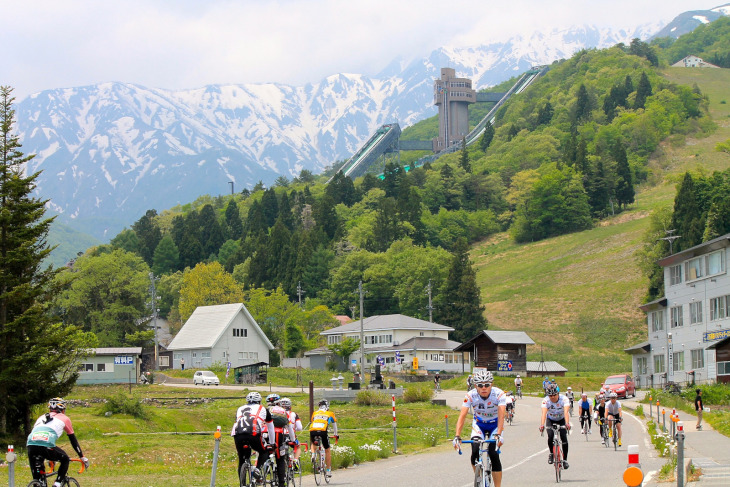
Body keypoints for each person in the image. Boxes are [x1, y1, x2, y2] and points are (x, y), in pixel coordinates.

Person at [453, 369, 506, 487]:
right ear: (475, 385)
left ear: (491, 384)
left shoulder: (499, 394)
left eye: (487, 385)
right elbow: (462, 415)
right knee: (475, 450)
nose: (484, 388)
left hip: (495, 425)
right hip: (479, 424)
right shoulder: (470, 395)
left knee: (493, 453)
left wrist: (499, 433)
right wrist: (457, 435)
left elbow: (502, 414)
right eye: (480, 385)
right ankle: (479, 477)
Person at [27, 398, 90, 487]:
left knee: (38, 477)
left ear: (50, 409)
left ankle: (37, 482)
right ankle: (57, 483)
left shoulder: (41, 417)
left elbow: (39, 437)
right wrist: (82, 457)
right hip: (46, 444)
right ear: (63, 409)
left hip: (31, 444)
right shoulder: (65, 418)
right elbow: (73, 440)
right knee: (65, 459)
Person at [231, 391, 276, 482]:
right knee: (264, 451)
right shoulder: (262, 408)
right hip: (253, 434)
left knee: (242, 459)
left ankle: (242, 483)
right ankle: (257, 469)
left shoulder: (240, 408)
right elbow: (271, 427)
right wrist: (272, 443)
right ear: (259, 401)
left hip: (238, 435)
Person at [266, 394, 297, 487]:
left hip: (266, 434)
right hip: (279, 434)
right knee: (280, 459)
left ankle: (261, 472)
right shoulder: (283, 411)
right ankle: (281, 483)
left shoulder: (265, 410)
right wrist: (293, 440)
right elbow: (290, 427)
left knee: (264, 452)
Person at [539, 383, 571, 469]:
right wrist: (542, 425)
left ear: (558, 394)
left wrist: (567, 423)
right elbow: (544, 413)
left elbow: (566, 412)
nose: (552, 397)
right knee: (550, 435)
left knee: (564, 437)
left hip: (561, 419)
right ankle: (551, 453)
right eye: (550, 395)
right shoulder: (546, 401)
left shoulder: (564, 399)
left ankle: (565, 460)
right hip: (550, 420)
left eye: (554, 395)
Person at [310, 399, 338, 478]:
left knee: (313, 443)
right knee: (327, 450)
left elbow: (313, 421)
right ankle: (328, 470)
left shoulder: (315, 413)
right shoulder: (330, 413)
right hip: (323, 431)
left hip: (313, 430)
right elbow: (334, 425)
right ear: (327, 407)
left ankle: (313, 454)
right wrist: (336, 435)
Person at [279, 398, 303, 471]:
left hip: (279, 434)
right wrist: (294, 428)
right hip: (290, 435)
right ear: (290, 406)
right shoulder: (294, 414)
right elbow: (299, 427)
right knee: (298, 446)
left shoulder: (277, 414)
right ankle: (295, 460)